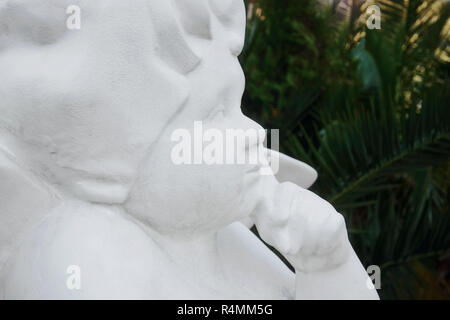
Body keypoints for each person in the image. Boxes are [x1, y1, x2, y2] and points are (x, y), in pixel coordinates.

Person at [0, 0, 378, 299]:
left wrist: (328, 265)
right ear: (118, 159)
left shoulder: (218, 232)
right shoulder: (86, 255)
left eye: (238, 108)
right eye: (215, 115)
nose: (252, 133)